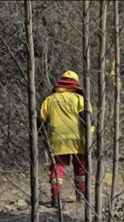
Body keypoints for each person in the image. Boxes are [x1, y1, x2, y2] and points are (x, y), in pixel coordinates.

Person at [40, 70, 90, 203]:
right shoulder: (80, 99)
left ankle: (56, 197)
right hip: (78, 139)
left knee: (58, 167)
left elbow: (40, 123)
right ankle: (82, 195)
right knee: (80, 166)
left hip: (56, 140)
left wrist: (43, 139)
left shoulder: (49, 100)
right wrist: (90, 136)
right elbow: (88, 119)